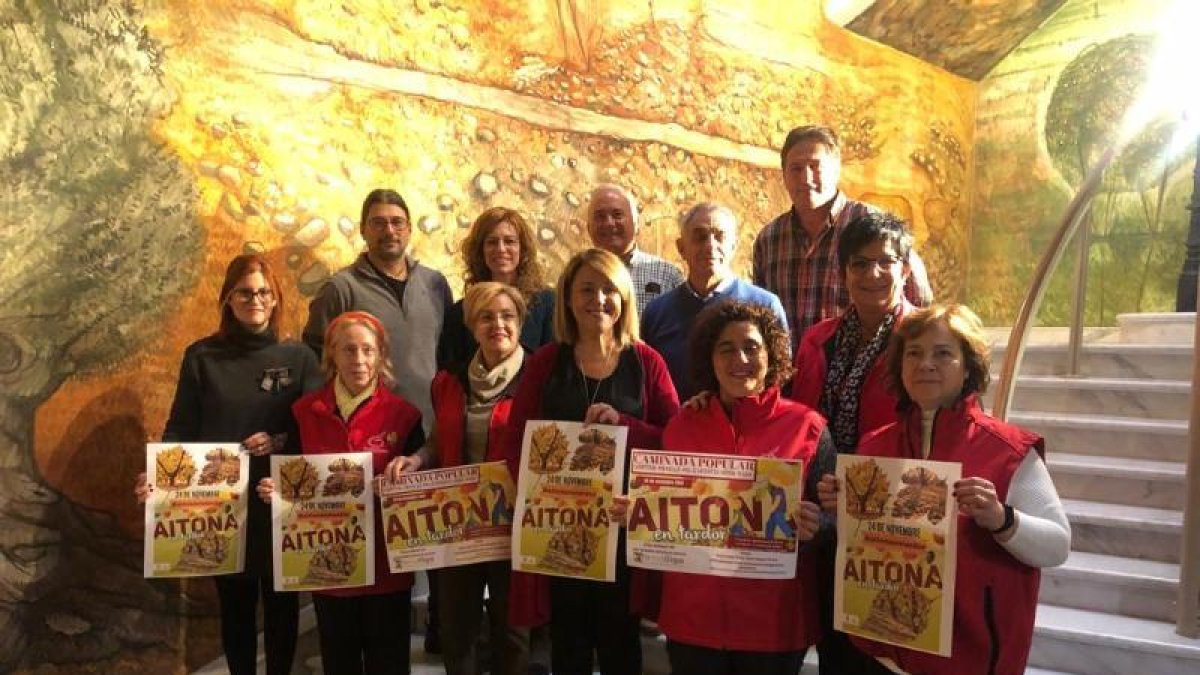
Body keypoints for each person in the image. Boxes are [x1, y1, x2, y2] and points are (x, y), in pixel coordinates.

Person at [817, 304, 1071, 675]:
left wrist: (1003, 520)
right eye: (914, 353)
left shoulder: (1008, 450)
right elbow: (870, 542)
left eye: (943, 353)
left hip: (969, 660)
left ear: (968, 367)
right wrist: (842, 510)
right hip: (881, 657)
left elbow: (1058, 545)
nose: (926, 364)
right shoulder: (873, 447)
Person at [134, 254, 321, 675]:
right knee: (235, 607)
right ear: (228, 298)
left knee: (280, 605)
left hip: (278, 501)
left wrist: (279, 441)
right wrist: (160, 477)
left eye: (263, 292)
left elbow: (316, 431)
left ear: (275, 299)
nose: (254, 299)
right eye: (245, 292)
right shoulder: (202, 356)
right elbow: (180, 426)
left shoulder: (301, 357)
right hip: (219, 506)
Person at [505, 248, 681, 675]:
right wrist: (531, 500)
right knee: (569, 645)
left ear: (624, 297)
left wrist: (624, 425)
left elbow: (674, 440)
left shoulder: (646, 361)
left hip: (624, 528)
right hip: (560, 527)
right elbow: (516, 439)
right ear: (567, 297)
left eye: (609, 289)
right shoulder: (547, 361)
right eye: (586, 289)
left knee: (622, 646)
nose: (598, 299)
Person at [656, 301, 833, 675]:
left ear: (771, 355)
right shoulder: (682, 426)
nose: (740, 358)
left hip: (775, 628)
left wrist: (818, 526)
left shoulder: (808, 427)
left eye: (752, 347)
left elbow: (836, 521)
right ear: (710, 358)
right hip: (693, 622)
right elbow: (662, 510)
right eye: (726, 348)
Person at [789, 210, 922, 671]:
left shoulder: (924, 340)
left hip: (892, 519)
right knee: (833, 645)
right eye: (859, 263)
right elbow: (796, 418)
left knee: (884, 652)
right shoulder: (817, 339)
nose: (872, 273)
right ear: (843, 272)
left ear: (904, 268)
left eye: (885, 261)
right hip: (823, 514)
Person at [260, 311, 426, 675]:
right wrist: (277, 490)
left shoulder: (405, 415)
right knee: (339, 663)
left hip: (387, 571)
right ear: (331, 355)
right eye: (348, 350)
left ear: (381, 355)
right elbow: (290, 474)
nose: (359, 360)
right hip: (329, 573)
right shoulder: (302, 413)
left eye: (368, 350)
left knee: (390, 665)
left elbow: (421, 488)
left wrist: (403, 485)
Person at [392, 282, 532, 675]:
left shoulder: (539, 379)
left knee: (512, 632)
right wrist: (416, 460)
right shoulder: (449, 381)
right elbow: (439, 440)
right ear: (472, 325)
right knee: (458, 629)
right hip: (459, 521)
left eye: (507, 316)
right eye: (486, 316)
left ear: (520, 322)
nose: (497, 325)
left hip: (515, 523)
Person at [753, 125, 932, 345]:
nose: (805, 177)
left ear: (836, 169)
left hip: (863, 370)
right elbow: (762, 315)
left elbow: (920, 303)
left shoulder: (874, 227)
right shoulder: (769, 240)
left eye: (815, 166)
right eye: (796, 168)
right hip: (795, 375)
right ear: (784, 175)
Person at [304, 188, 452, 431]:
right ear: (363, 229)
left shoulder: (435, 284)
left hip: (430, 431)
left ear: (409, 229)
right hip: (368, 434)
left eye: (397, 223)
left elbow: (449, 357)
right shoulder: (341, 289)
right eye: (378, 223)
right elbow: (315, 362)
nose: (390, 231)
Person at [641, 202, 786, 400]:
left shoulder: (765, 305)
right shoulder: (656, 313)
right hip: (676, 427)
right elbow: (647, 384)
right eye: (700, 236)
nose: (710, 245)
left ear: (734, 246)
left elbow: (780, 381)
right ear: (681, 247)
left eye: (720, 236)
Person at [438, 206, 555, 371]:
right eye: (492, 242)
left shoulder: (547, 303)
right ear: (480, 251)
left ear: (522, 249)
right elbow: (452, 374)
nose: (501, 249)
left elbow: (555, 367)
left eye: (509, 241)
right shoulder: (461, 312)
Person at [587, 183, 684, 313]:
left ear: (636, 224)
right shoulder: (578, 277)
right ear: (588, 228)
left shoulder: (668, 275)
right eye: (600, 216)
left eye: (617, 215)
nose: (609, 223)